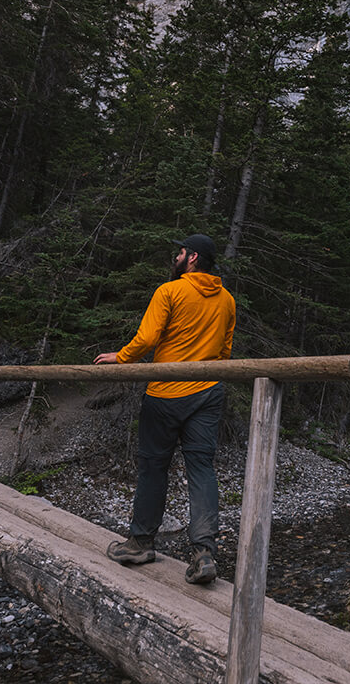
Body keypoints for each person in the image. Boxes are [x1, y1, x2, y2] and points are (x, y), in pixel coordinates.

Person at [95, 233, 236, 585]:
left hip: (166, 392)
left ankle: (142, 542)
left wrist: (121, 357)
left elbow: (147, 339)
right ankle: (204, 553)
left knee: (154, 467)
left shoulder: (169, 292)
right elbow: (224, 352)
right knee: (202, 468)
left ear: (192, 258)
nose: (176, 256)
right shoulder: (228, 300)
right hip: (207, 390)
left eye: (180, 252)